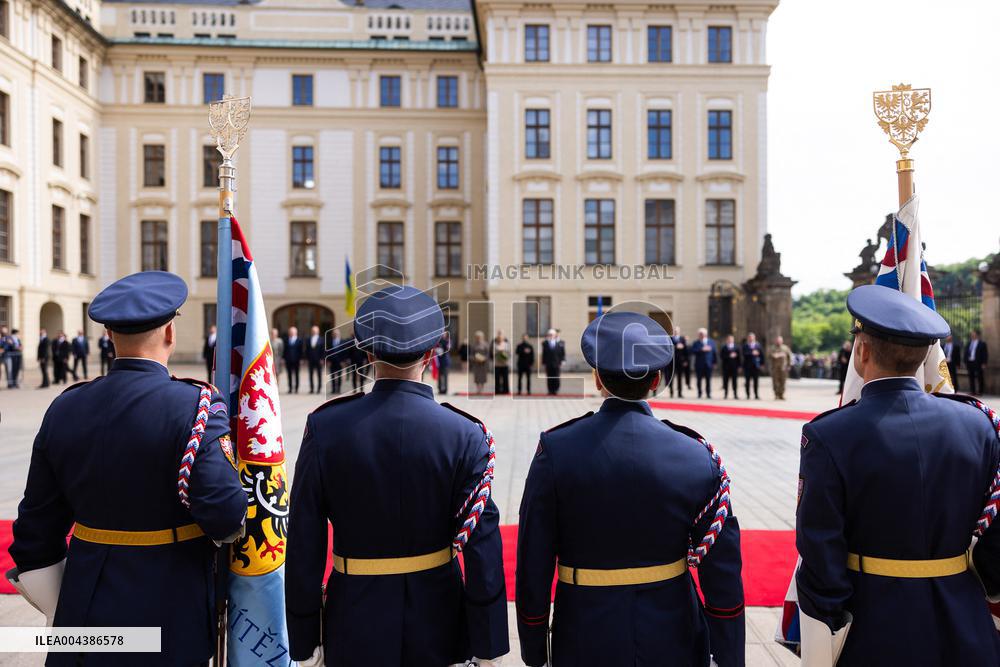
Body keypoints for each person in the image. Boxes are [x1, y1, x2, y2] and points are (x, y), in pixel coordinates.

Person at [8, 270, 246, 664]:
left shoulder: (66, 406)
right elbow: (224, 514)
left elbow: (34, 532)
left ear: (109, 336)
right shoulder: (196, 407)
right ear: (170, 333)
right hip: (169, 606)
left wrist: (65, 604)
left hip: (83, 611)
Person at [286, 285, 508, 667]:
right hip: (439, 618)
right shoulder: (465, 434)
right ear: (431, 352)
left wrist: (305, 636)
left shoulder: (326, 428)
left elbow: (305, 538)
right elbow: (483, 549)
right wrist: (488, 645)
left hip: (354, 615)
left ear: (367, 353)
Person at [516, 311, 744, 667]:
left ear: (596, 379)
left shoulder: (557, 451)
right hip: (672, 634)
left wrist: (533, 648)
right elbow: (723, 572)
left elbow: (534, 560)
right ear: (656, 380)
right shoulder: (696, 455)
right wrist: (728, 656)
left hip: (584, 634)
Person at [795, 284, 1000, 665]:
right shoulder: (979, 424)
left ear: (863, 350)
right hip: (964, 618)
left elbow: (820, 546)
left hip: (874, 623)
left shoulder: (829, 434)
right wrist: (984, 584)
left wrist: (830, 619)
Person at [691, 328, 717, 399]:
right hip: (699, 364)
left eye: (702, 334)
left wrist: (715, 363)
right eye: (700, 334)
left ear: (705, 334)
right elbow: (693, 351)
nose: (701, 335)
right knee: (699, 380)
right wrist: (701, 349)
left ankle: (708, 393)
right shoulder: (696, 343)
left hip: (708, 364)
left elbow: (714, 353)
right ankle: (699, 393)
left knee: (708, 380)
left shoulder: (711, 342)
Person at [541, 328, 565, 395]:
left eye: (552, 334)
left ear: (555, 335)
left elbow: (562, 353)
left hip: (557, 363)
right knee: (549, 377)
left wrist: (563, 360)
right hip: (548, 363)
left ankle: (556, 390)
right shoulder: (545, 343)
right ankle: (550, 390)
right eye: (549, 334)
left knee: (556, 377)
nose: (551, 336)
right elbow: (544, 353)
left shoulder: (559, 343)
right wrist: (543, 362)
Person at [769, 335, 792, 400]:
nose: (778, 342)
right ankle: (776, 394)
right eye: (777, 340)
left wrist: (789, 365)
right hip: (775, 368)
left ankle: (781, 394)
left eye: (780, 340)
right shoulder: (772, 348)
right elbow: (770, 355)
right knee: (775, 382)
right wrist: (776, 355)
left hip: (783, 368)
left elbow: (789, 357)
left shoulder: (785, 348)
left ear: (782, 341)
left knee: (783, 382)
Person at [669, 326, 690, 398]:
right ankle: (671, 392)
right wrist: (676, 346)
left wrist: (686, 360)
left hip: (680, 361)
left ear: (679, 331)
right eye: (674, 331)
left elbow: (686, 351)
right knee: (671, 377)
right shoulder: (670, 339)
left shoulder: (682, 339)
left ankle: (680, 393)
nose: (676, 332)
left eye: (677, 331)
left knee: (680, 378)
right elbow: (668, 348)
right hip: (672, 362)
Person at [967, 329, 988, 395]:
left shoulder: (982, 343)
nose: (972, 335)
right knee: (971, 377)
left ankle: (980, 391)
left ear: (977, 335)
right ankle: (973, 391)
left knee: (980, 377)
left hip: (978, 362)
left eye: (974, 334)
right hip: (970, 362)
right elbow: (966, 352)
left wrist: (984, 363)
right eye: (972, 334)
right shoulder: (969, 343)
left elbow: (985, 354)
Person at [283, 325, 304, 394]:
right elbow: (284, 350)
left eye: (293, 332)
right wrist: (283, 358)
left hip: (297, 360)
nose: (291, 333)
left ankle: (296, 388)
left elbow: (301, 351)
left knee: (296, 374)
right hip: (288, 360)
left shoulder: (299, 340)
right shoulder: (286, 340)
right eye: (290, 332)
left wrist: (301, 359)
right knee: (289, 375)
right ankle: (290, 388)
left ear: (296, 332)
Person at [742, 332, 762, 399]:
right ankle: (748, 395)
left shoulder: (758, 345)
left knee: (756, 381)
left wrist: (762, 364)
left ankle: (756, 395)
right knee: (747, 381)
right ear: (748, 338)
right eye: (750, 337)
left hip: (755, 366)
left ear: (754, 338)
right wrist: (751, 353)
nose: (751, 338)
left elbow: (761, 354)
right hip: (747, 366)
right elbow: (744, 354)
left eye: (752, 337)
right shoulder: (745, 345)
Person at [720, 334, 741, 399]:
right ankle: (726, 394)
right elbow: (721, 356)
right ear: (727, 340)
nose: (730, 340)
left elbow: (739, 358)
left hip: (734, 367)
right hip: (726, 367)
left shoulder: (737, 347)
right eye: (729, 339)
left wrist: (739, 366)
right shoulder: (724, 347)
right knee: (726, 381)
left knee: (734, 381)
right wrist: (729, 356)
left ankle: (735, 394)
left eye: (731, 339)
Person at [305, 325, 324, 394]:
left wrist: (322, 359)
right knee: (311, 375)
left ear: (318, 331)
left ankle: (319, 388)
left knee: (319, 375)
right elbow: (306, 350)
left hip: (319, 360)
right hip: (310, 360)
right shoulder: (308, 339)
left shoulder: (321, 339)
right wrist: (306, 359)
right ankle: (312, 389)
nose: (314, 332)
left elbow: (323, 350)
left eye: (315, 330)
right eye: (313, 330)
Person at [470, 330, 489, 394]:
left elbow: (488, 354)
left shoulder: (486, 344)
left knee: (483, 376)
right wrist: (474, 359)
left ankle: (482, 389)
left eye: (479, 337)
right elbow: (471, 355)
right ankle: (478, 389)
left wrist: (484, 358)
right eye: (477, 337)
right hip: (476, 363)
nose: (478, 338)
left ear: (482, 337)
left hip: (483, 363)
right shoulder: (474, 345)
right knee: (477, 376)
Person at [493, 330, 510, 395]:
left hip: (504, 364)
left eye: (501, 337)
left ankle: (505, 390)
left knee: (505, 378)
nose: (500, 339)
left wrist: (504, 354)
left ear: (503, 338)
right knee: (497, 378)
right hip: (497, 364)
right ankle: (497, 391)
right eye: (498, 338)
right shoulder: (495, 344)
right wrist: (498, 352)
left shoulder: (506, 344)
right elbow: (493, 353)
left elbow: (509, 353)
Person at [327, 329, 344, 394]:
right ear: (332, 334)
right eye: (334, 333)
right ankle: (333, 389)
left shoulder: (342, 341)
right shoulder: (330, 342)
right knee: (332, 376)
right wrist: (328, 361)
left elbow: (344, 352)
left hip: (339, 362)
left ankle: (339, 389)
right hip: (332, 362)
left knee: (339, 376)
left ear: (339, 334)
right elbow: (328, 352)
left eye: (336, 333)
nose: (335, 334)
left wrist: (343, 361)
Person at [435, 330, 451, 394]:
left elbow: (448, 349)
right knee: (439, 376)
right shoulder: (438, 341)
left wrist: (442, 350)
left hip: (445, 361)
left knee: (445, 376)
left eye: (444, 334)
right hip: (439, 361)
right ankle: (440, 389)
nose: (442, 335)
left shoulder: (447, 341)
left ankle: (445, 389)